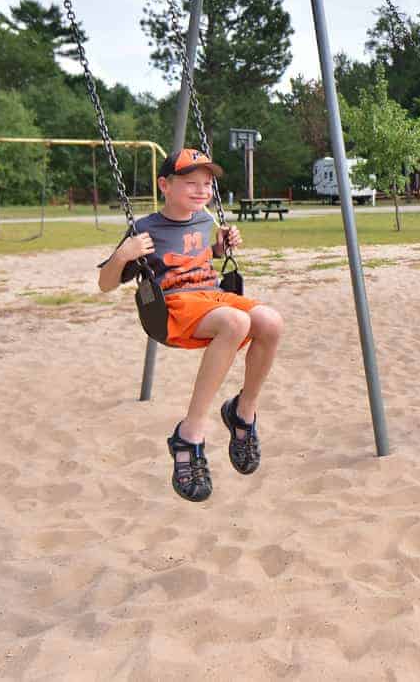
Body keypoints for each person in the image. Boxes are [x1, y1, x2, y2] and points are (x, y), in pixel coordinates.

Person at [98, 147, 284, 503]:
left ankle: (242, 413)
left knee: (271, 322)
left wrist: (219, 248)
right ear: (164, 185)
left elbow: (195, 255)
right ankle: (190, 432)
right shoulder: (144, 229)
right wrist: (124, 254)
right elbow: (106, 284)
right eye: (191, 184)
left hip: (211, 297)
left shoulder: (205, 219)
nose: (201, 191)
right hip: (174, 307)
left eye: (207, 184)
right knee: (235, 321)